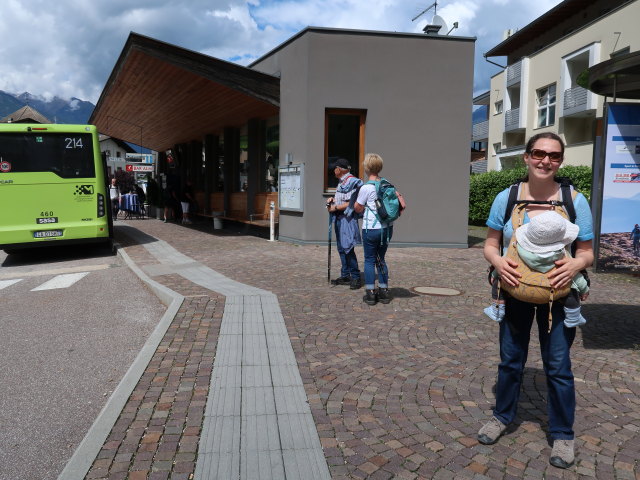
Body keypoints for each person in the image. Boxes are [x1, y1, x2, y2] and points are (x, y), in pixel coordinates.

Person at [478, 132, 594, 469]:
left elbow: (586, 251)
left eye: (554, 156)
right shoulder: (508, 196)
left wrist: (575, 264)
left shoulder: (574, 199)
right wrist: (498, 263)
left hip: (559, 295)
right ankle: (502, 417)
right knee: (510, 361)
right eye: (539, 153)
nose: (546, 161)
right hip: (513, 292)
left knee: (558, 367)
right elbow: (490, 243)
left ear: (560, 161)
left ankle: (562, 434)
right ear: (527, 157)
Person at [484, 210, 589, 328]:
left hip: (516, 289)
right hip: (554, 293)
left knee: (499, 283)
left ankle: (497, 309)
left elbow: (502, 264)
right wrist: (584, 289)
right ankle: (573, 317)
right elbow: (576, 276)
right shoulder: (562, 255)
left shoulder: (516, 249)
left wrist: (494, 275)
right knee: (572, 287)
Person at [354, 153, 393, 305]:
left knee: (370, 260)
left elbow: (358, 207)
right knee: (381, 259)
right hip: (387, 229)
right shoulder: (387, 184)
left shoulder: (366, 187)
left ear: (367, 168)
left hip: (371, 228)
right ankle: (383, 291)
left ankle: (370, 293)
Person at [326, 158, 363, 290]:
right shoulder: (342, 182)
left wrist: (335, 208)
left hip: (347, 219)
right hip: (339, 219)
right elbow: (342, 199)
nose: (333, 170)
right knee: (342, 248)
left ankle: (356, 277)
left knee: (348, 248)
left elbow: (352, 202)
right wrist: (333, 200)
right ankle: (345, 274)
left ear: (339, 169)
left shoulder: (353, 182)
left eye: (334, 168)